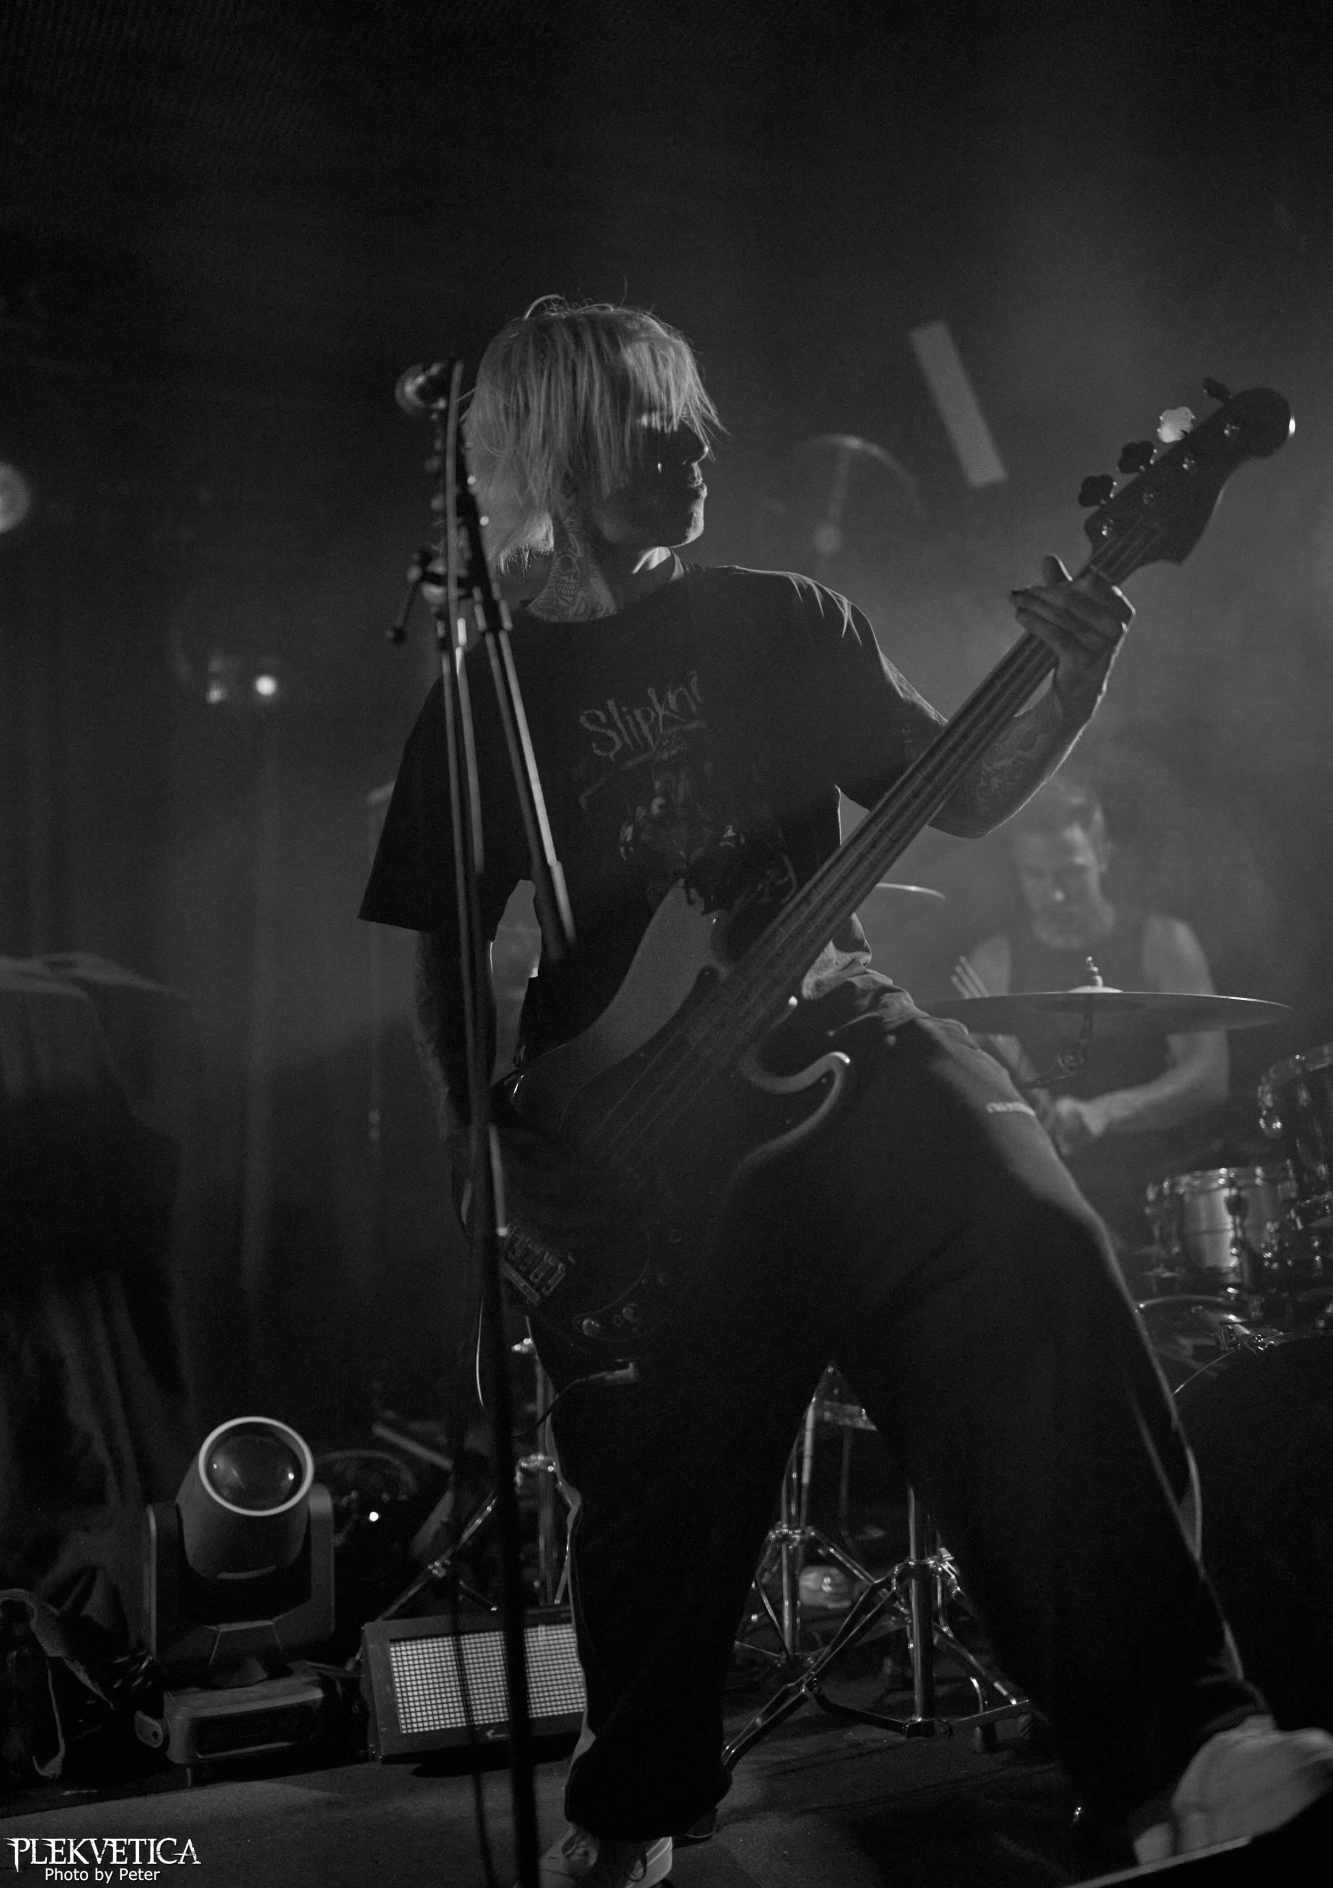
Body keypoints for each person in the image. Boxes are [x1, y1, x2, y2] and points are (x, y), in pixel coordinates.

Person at [360, 299, 1332, 1887]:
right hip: (631, 1142)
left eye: (694, 417)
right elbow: (440, 950)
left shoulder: (780, 619)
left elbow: (965, 795)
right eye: (655, 423)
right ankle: (634, 1805)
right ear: (562, 449)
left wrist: (1075, 671)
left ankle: (1185, 1749)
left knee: (1037, 1251)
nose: (698, 445)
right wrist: (488, 1146)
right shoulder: (482, 704)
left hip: (841, 1044)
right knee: (653, 1500)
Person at [961, 774, 1230, 1278]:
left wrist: (1104, 1112)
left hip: (1164, 1188)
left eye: (1071, 873)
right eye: (1035, 876)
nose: (1055, 894)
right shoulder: (994, 963)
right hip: (1056, 1198)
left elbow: (1209, 1076)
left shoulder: (1163, 942)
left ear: (1104, 855)